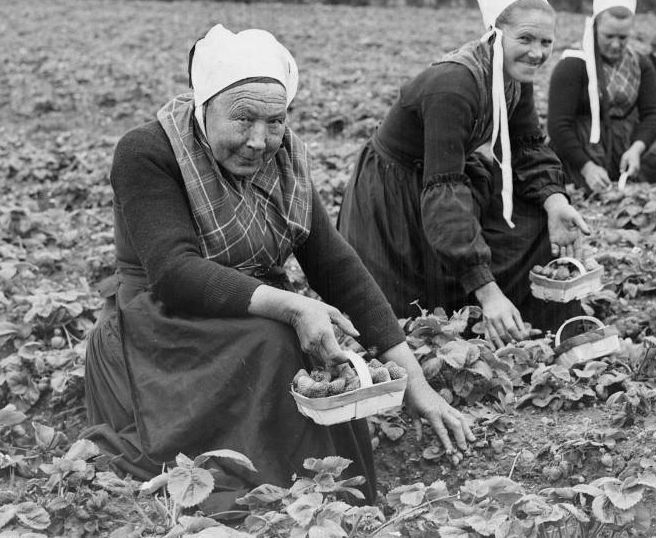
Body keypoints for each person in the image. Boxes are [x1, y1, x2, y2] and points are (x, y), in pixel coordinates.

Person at [82, 25, 471, 507]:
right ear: (205, 108)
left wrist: (414, 379)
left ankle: (324, 502)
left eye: (275, 122)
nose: (259, 141)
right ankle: (272, 501)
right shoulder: (147, 152)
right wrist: (291, 306)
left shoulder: (286, 159)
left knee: (307, 345)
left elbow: (334, 265)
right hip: (160, 320)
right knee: (278, 338)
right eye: (243, 121)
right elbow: (174, 271)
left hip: (246, 305)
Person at [339, 0, 590, 348]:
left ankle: (529, 325)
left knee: (536, 214)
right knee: (411, 321)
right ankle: (489, 304)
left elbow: (526, 146)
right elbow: (444, 193)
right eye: (525, 38)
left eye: (545, 42)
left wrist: (556, 202)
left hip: (446, 179)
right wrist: (487, 291)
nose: (537, 52)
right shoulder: (452, 85)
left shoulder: (513, 77)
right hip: (395, 194)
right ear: (495, 34)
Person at [547, 0, 656, 195]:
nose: (616, 44)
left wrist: (636, 149)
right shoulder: (573, 64)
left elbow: (652, 116)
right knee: (586, 187)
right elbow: (558, 125)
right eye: (609, 36)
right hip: (583, 144)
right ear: (595, 28)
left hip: (625, 142)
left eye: (623, 38)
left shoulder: (640, 64)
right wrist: (587, 167)